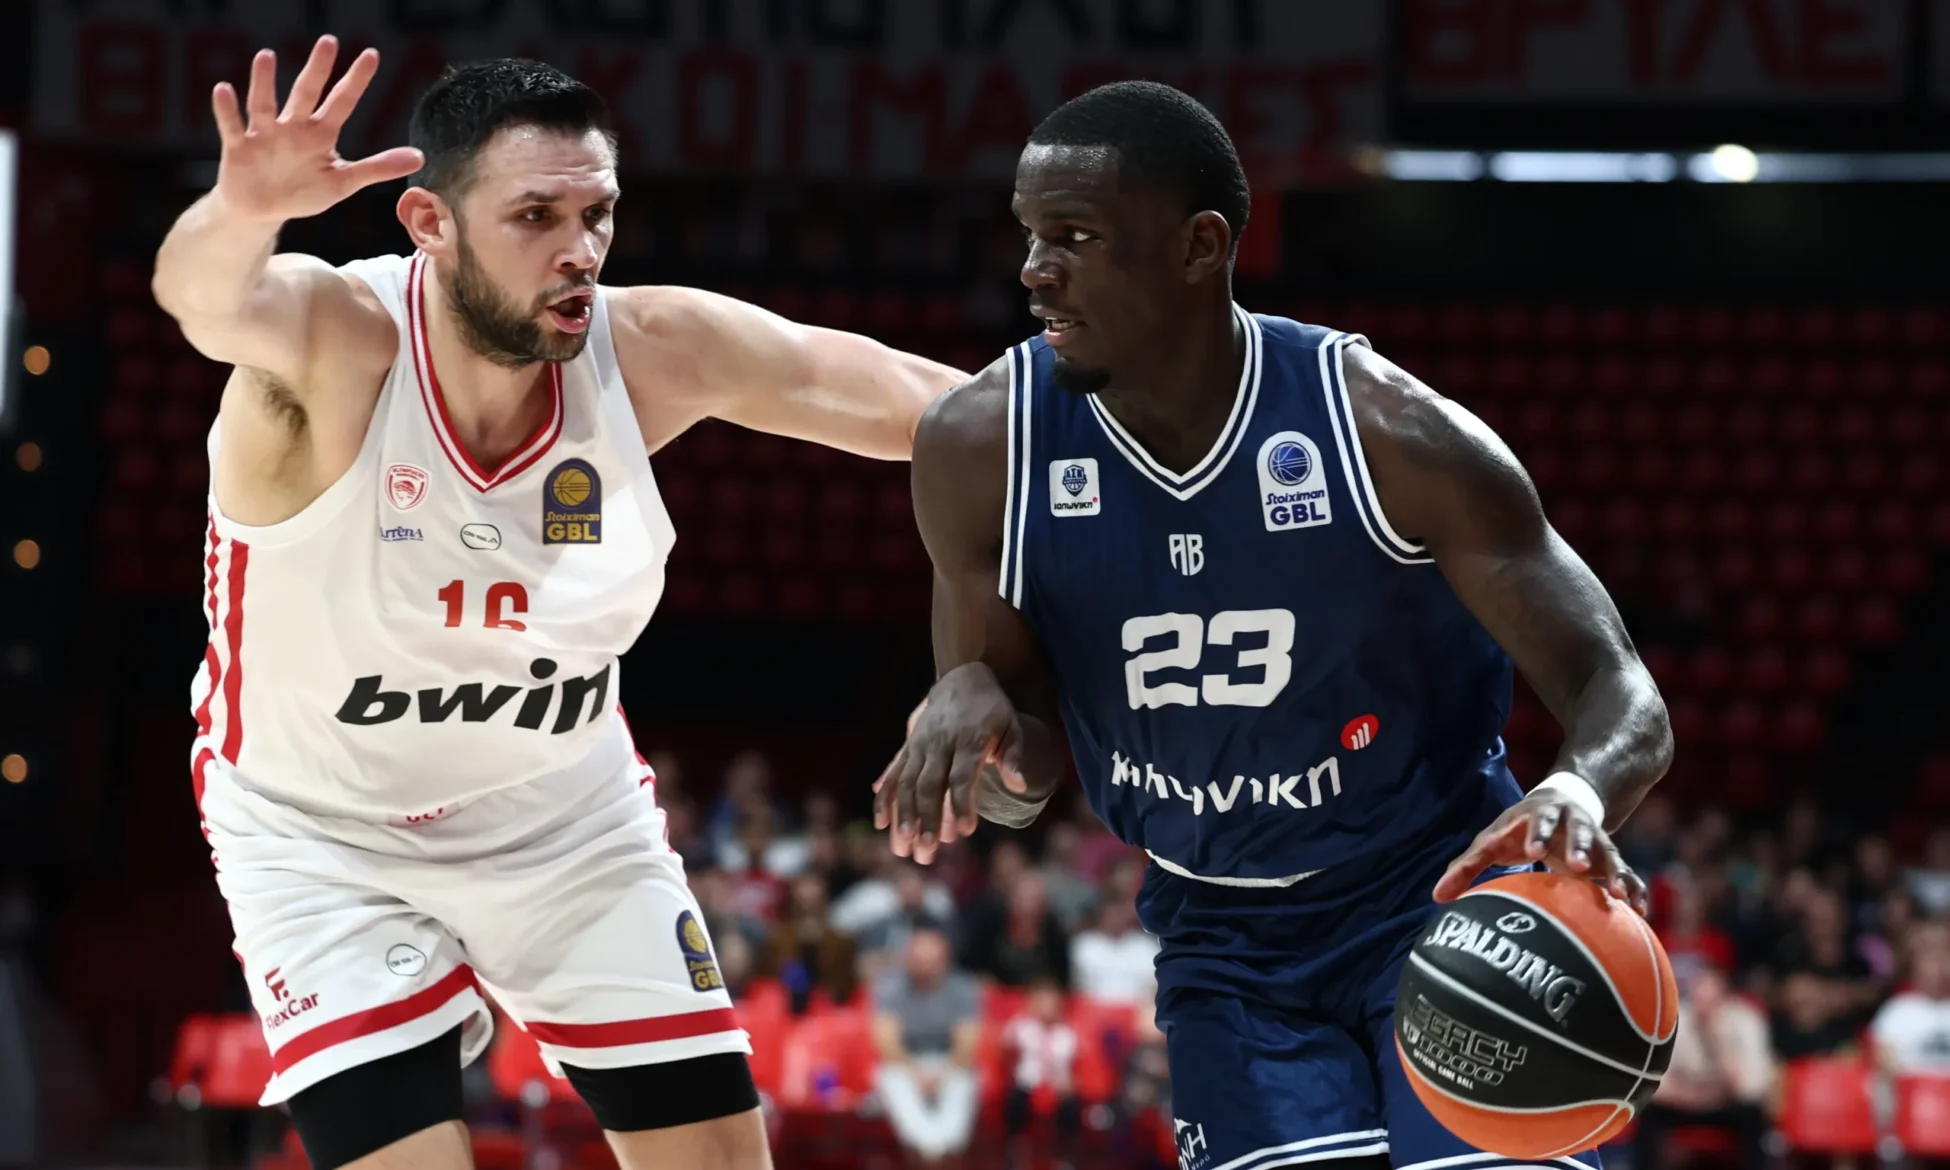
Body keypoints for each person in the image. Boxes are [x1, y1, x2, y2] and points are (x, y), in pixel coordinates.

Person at [150, 41, 963, 1170]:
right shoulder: (336, 348)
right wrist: (240, 214)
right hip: (319, 830)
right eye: (535, 216)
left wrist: (1132, 429)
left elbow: (939, 413)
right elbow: (205, 301)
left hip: (560, 816)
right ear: (429, 223)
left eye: (597, 215)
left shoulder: (649, 351)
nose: (578, 249)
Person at [875, 81, 1671, 1170]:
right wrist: (979, 709)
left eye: (1076, 237)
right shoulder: (981, 447)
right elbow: (1020, 790)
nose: (1033, 270)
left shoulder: (1383, 431)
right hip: (1223, 942)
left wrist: (1575, 792)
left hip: (1440, 893)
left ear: (1200, 247)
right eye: (1029, 235)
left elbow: (1620, 691)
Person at [1634, 966, 1772, 1170]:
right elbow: (1653, 1082)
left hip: (1727, 1104)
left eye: (1712, 1000)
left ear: (1726, 998)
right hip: (1684, 1103)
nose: (1704, 1006)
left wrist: (1718, 1039)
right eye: (1698, 998)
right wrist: (1688, 1096)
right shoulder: (1675, 1020)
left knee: (1753, 1116)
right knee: (1649, 1114)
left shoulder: (1746, 1021)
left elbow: (1750, 1088)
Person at [871, 928, 983, 1167]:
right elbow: (888, 1043)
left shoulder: (963, 988)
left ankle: (946, 1147)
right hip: (905, 1063)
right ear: (907, 959)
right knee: (891, 1079)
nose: (924, 967)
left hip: (950, 1062)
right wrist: (916, 1073)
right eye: (918, 960)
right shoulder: (889, 989)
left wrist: (942, 1074)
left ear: (944, 961)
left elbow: (966, 1043)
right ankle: (930, 1150)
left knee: (963, 1080)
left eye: (931, 961)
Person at [1000, 977, 1082, 1170]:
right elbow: (1005, 1055)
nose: (1047, 1008)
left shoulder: (1067, 1033)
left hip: (1058, 1084)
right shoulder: (1020, 1027)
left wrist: (1070, 1083)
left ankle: (1067, 1155)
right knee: (1016, 1099)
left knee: (1070, 1105)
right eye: (1042, 1001)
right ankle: (1015, 1149)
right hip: (1027, 1081)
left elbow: (1078, 1067)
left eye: (1052, 1002)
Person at [1870, 944, 1950, 1075]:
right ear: (1916, 974)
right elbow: (1884, 1055)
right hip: (1911, 1082)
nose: (1936, 977)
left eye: (1941, 970)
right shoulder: (1897, 1009)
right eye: (1929, 971)